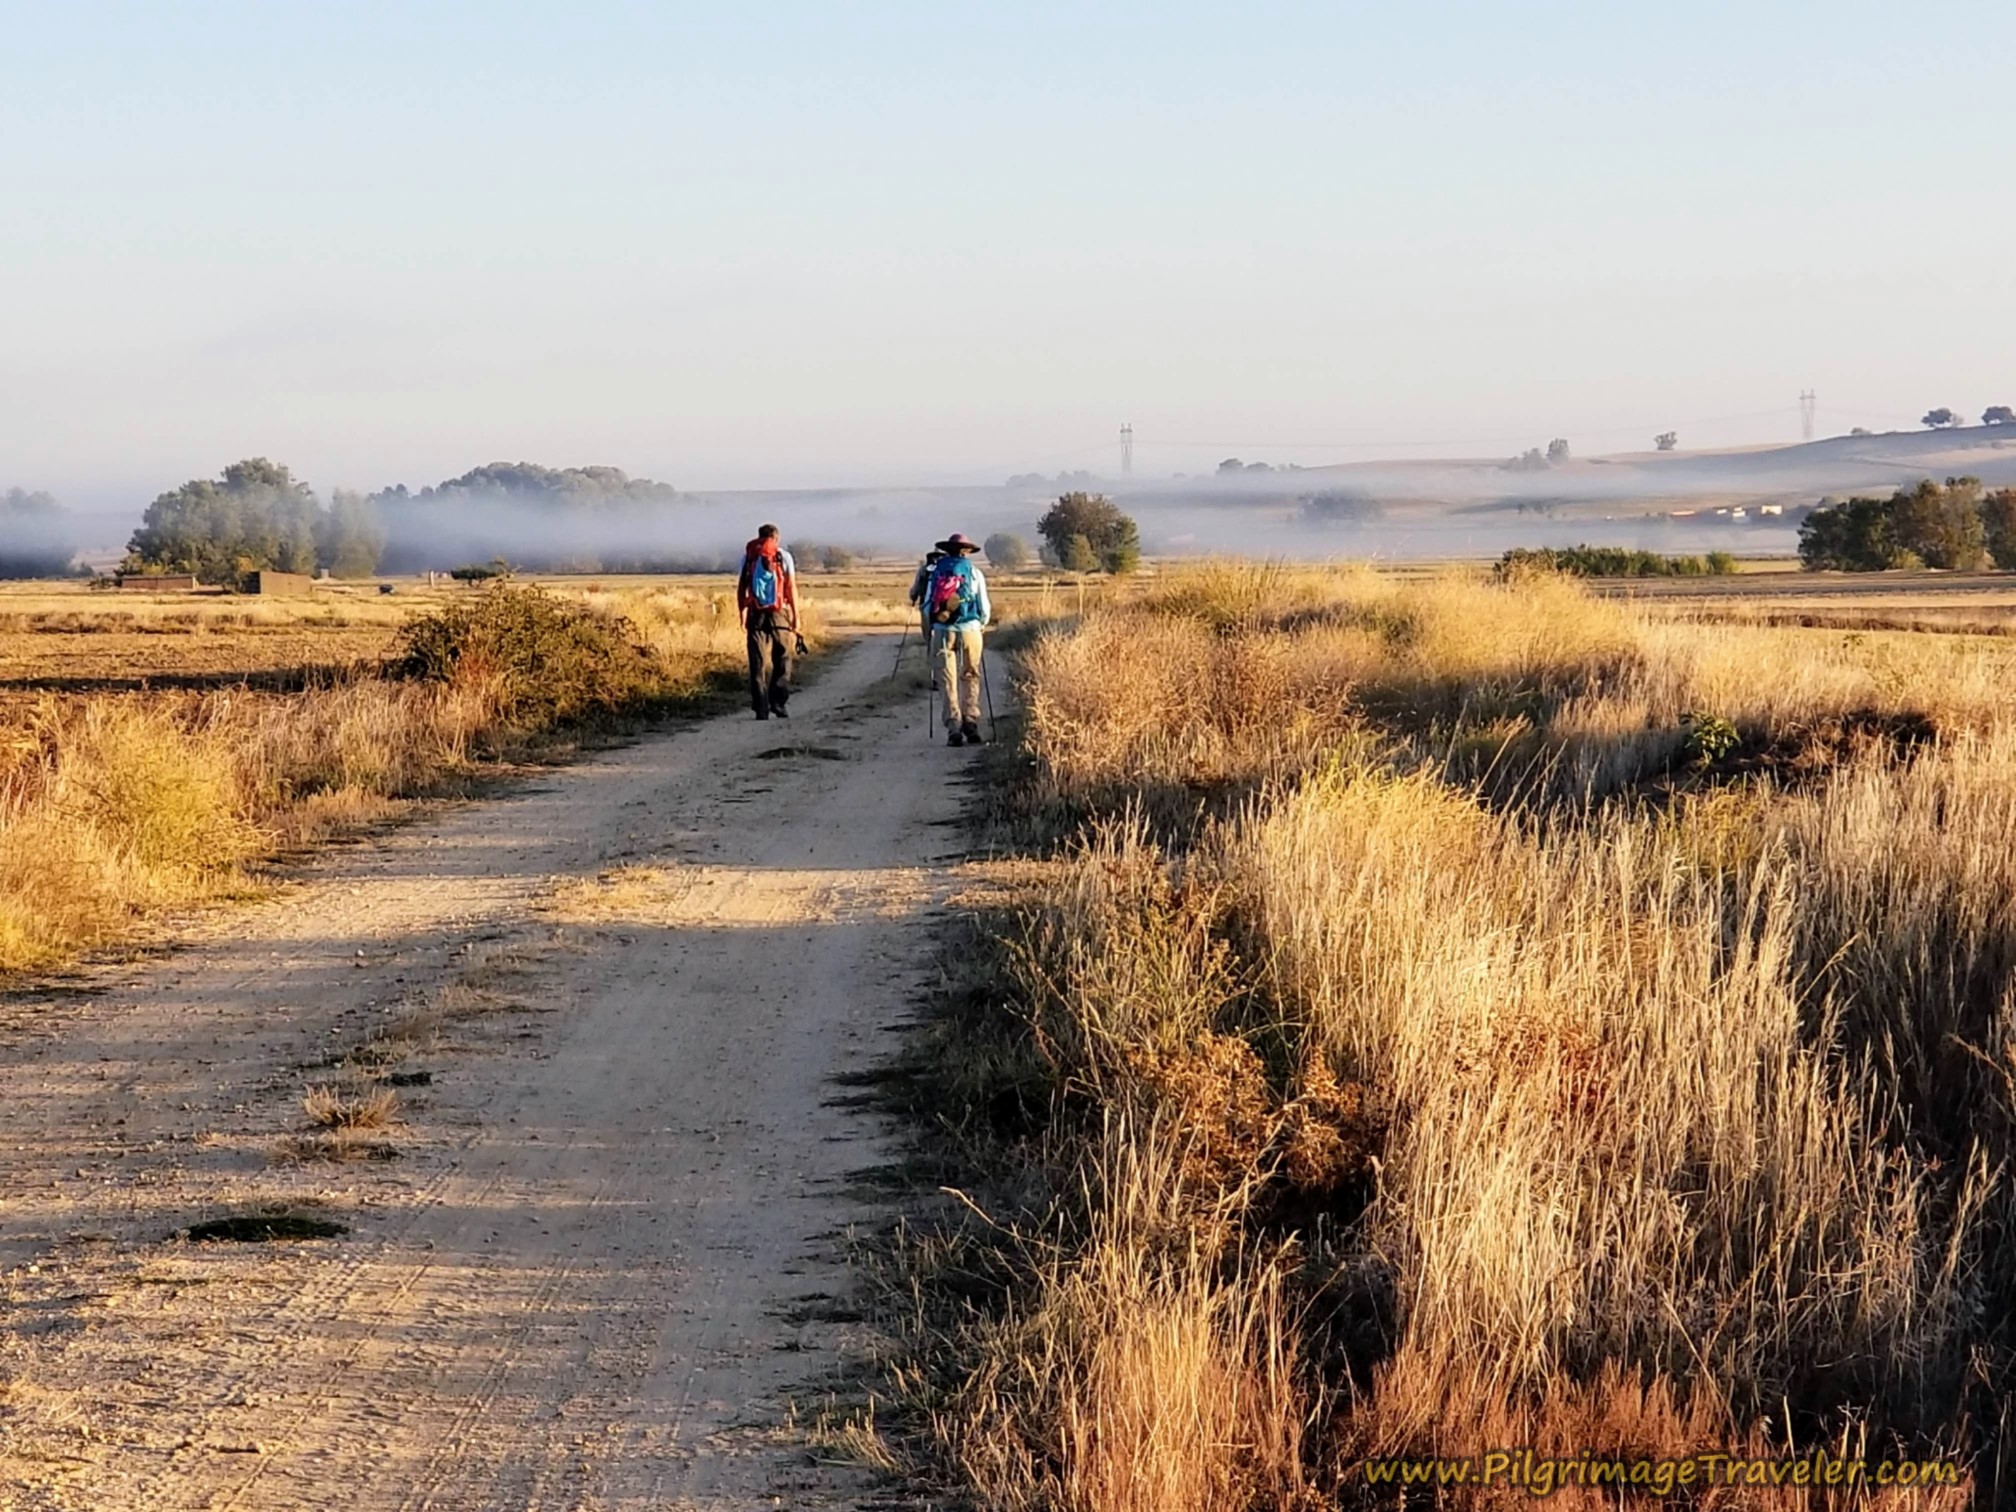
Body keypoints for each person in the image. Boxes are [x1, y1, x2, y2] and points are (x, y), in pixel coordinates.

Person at [922, 533, 991, 747]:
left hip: (943, 631)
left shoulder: (936, 572)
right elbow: (985, 607)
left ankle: (953, 727)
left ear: (947, 550)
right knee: (971, 674)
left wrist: (931, 629)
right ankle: (970, 720)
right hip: (970, 629)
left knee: (946, 679)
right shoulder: (974, 572)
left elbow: (926, 605)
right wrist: (981, 625)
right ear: (966, 551)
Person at [736, 523, 798, 719]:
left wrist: (742, 611)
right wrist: (796, 616)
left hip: (755, 612)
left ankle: (760, 708)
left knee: (757, 661)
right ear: (776, 538)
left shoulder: (748, 557)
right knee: (782, 657)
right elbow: (790, 588)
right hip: (778, 613)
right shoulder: (783, 556)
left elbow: (741, 587)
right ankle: (778, 703)